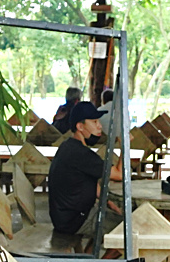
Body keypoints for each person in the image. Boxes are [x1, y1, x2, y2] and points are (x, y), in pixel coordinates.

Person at [47, 101, 122, 251]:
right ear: (80, 127)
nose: (99, 126)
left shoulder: (69, 146)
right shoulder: (81, 154)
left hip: (64, 217)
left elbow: (89, 183)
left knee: (113, 217)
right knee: (126, 228)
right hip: (74, 220)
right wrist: (125, 146)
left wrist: (107, 202)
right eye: (94, 122)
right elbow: (119, 175)